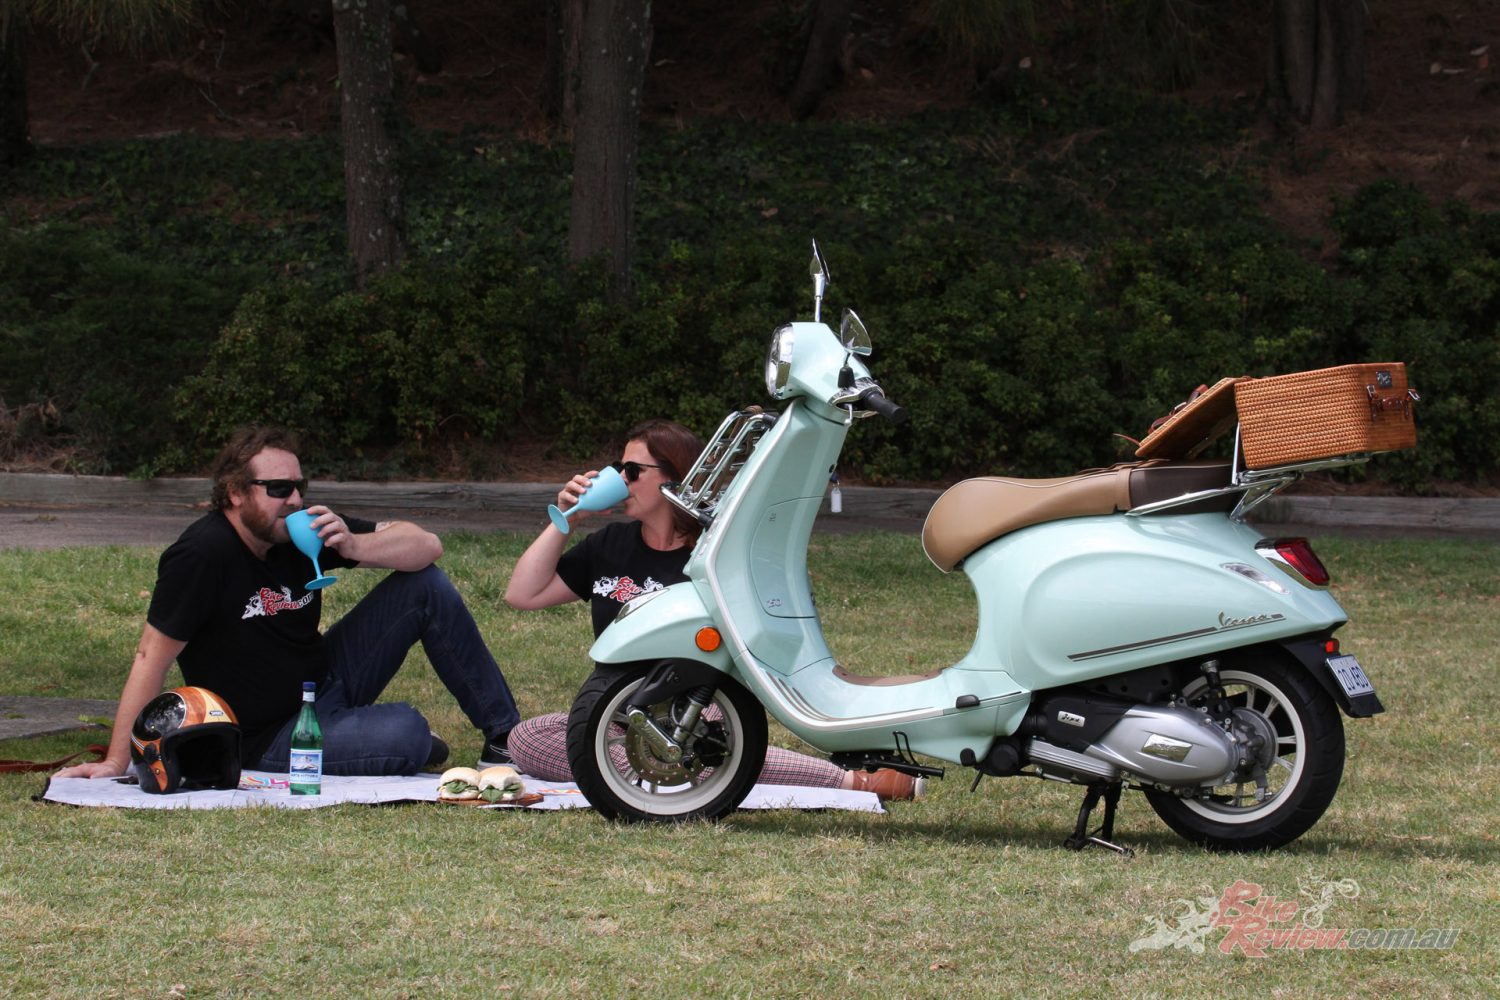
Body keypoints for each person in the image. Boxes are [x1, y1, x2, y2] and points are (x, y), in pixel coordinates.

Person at [57, 426, 520, 781]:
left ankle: (504, 737)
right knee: (408, 731)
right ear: (236, 493)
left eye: (300, 486)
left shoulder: (301, 530)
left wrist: (356, 544)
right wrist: (119, 759)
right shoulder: (202, 555)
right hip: (269, 734)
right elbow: (149, 657)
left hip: (325, 680)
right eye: (279, 489)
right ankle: (380, 739)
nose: (295, 499)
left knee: (426, 586)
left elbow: (427, 547)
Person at [503, 418, 922, 801]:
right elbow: (523, 594)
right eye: (618, 467)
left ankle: (856, 780)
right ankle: (667, 767)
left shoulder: (715, 555)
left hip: (703, 704)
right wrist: (567, 521)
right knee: (528, 739)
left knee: (699, 744)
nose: (620, 478)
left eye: (632, 471)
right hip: (626, 708)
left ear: (674, 477)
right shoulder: (611, 545)